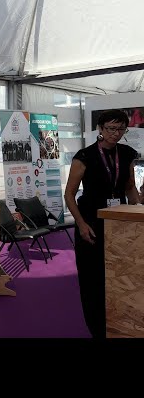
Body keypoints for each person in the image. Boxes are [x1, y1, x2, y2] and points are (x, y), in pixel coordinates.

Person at [64, 109, 141, 338]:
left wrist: (138, 213)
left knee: (122, 275)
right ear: (100, 129)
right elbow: (69, 194)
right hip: (90, 224)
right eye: (110, 128)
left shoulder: (127, 153)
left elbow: (129, 187)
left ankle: (119, 323)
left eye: (120, 129)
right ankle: (97, 329)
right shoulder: (84, 156)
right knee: (92, 280)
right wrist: (80, 224)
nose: (115, 134)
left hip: (119, 224)